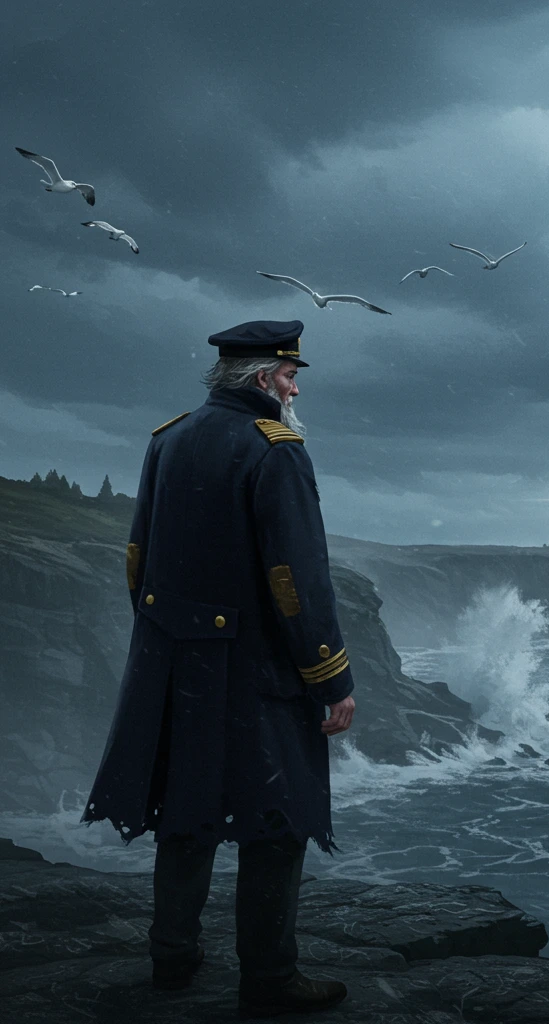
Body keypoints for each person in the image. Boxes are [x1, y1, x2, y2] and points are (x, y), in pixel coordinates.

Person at [80, 319, 356, 1016]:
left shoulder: (168, 438)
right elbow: (296, 580)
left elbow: (138, 558)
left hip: (174, 661)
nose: (295, 390)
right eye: (290, 376)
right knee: (278, 819)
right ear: (263, 379)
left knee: (186, 808)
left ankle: (172, 960)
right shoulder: (275, 449)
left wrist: (168, 642)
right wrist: (330, 677)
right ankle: (269, 979)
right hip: (255, 671)